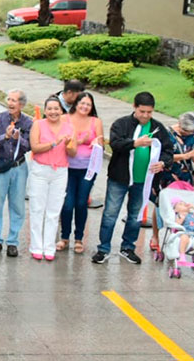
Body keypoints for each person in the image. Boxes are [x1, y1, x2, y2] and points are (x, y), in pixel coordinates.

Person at [93, 91, 172, 265]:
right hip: (119, 177)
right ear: (134, 107)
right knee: (110, 214)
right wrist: (135, 144)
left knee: (135, 215)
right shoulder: (121, 124)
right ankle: (103, 248)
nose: (145, 116)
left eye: (149, 112)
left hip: (143, 180)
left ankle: (128, 247)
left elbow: (168, 150)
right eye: (142, 111)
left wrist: (163, 163)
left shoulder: (157, 128)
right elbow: (115, 144)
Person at [28, 96, 75, 261]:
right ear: (45, 110)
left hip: (60, 171)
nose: (53, 112)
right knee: (37, 208)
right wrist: (54, 143)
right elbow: (35, 147)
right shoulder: (38, 125)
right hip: (40, 169)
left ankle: (49, 246)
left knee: (54, 211)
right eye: (50, 109)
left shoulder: (68, 127)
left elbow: (72, 152)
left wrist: (69, 144)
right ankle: (36, 245)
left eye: (57, 109)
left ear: (62, 110)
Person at [0, 89, 32, 257]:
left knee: (17, 205)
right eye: (9, 99)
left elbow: (30, 146)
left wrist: (19, 138)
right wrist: (5, 137)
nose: (11, 103)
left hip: (19, 167)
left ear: (22, 104)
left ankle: (13, 241)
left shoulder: (28, 122)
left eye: (15, 100)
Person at [150, 111, 194, 251]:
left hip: (185, 176)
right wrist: (186, 155)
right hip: (166, 173)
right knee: (160, 205)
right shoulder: (167, 133)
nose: (187, 133)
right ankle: (155, 236)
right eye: (185, 130)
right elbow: (164, 156)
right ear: (179, 124)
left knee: (183, 207)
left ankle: (183, 235)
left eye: (190, 131)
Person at [58, 92, 104, 255]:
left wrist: (96, 142)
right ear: (76, 104)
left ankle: (78, 238)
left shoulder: (95, 121)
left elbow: (101, 141)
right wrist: (81, 141)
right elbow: (61, 140)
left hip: (87, 169)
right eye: (82, 103)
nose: (85, 107)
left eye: (88, 105)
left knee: (81, 203)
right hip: (67, 167)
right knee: (68, 203)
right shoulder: (65, 119)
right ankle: (64, 237)